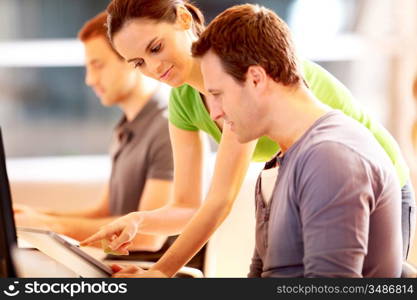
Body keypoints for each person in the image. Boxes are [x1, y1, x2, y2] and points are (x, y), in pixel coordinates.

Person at [81, 0, 413, 277]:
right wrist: (140, 220)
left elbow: (220, 200)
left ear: (183, 18)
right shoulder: (183, 100)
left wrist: (160, 273)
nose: (154, 68)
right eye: (139, 63)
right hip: (298, 176)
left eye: (155, 48)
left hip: (361, 177)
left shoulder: (238, 73)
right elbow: (187, 205)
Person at [14, 11, 174, 253]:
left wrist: (49, 224)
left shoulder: (167, 126)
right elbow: (107, 212)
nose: (89, 79)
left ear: (129, 58)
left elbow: (148, 238)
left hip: (144, 269)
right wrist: (35, 217)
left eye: (97, 66)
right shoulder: (127, 126)